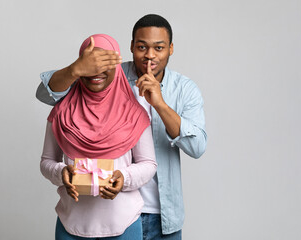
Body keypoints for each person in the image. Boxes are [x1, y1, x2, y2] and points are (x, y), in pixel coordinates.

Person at [37, 14, 207, 240]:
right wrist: (76, 69)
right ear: (131, 47)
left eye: (159, 47)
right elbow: (45, 94)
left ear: (171, 48)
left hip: (160, 212)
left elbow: (197, 147)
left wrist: (160, 105)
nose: (150, 55)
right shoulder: (106, 73)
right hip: (103, 211)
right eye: (141, 47)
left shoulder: (184, 89)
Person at [40, 34, 157, 239]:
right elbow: (46, 162)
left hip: (125, 224)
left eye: (105, 63)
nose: (97, 71)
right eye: (90, 64)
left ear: (117, 66)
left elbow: (148, 164)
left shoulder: (134, 112)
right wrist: (61, 173)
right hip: (71, 225)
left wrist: (124, 178)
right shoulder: (61, 112)